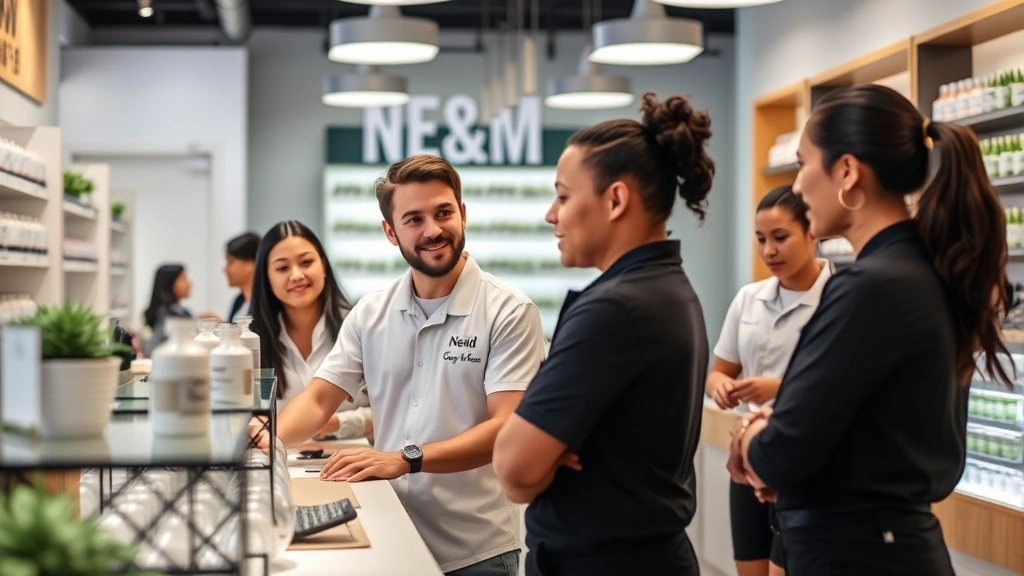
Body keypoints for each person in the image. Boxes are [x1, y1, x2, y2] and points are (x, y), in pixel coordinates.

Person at [727, 84, 1012, 576]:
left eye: (803, 164)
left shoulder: (870, 288)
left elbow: (779, 457)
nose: (797, 186)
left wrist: (749, 433)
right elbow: (882, 432)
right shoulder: (925, 272)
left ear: (847, 172)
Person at [265, 154, 547, 576]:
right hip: (390, 537)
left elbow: (507, 427)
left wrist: (406, 458)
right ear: (391, 232)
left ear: (463, 214)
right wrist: (268, 442)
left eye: (443, 213)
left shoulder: (508, 311)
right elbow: (320, 399)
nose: (432, 230)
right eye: (414, 219)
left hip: (475, 552)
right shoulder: (370, 314)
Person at [492, 92, 715, 576]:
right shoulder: (668, 289)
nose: (552, 214)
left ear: (615, 200)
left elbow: (513, 468)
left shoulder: (615, 308)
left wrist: (539, 453)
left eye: (563, 196)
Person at [706, 185, 832, 576]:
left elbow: (841, 387)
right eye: (761, 239)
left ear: (812, 232)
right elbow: (718, 371)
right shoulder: (749, 298)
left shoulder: (838, 299)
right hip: (748, 458)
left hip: (804, 462)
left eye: (780, 237)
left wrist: (776, 389)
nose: (769, 251)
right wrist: (721, 387)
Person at [248, 220, 371, 439]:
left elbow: (394, 412)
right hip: (280, 457)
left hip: (354, 455)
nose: (296, 275)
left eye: (306, 262)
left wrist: (335, 423)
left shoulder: (360, 325)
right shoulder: (251, 340)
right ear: (266, 277)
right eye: (282, 268)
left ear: (323, 265)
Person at [143, 264, 194, 351]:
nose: (189, 284)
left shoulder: (185, 313)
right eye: (184, 279)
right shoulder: (163, 315)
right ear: (170, 282)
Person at [224, 231, 260, 323]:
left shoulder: (266, 304)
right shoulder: (238, 301)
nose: (225, 269)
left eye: (230, 262)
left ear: (250, 264)